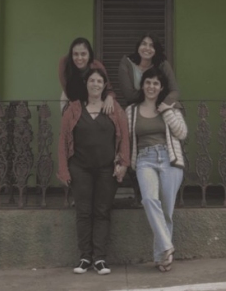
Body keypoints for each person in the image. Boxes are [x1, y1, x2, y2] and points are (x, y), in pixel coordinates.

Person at [57, 68, 130, 275]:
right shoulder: (74, 109)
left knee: (102, 212)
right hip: (80, 169)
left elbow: (125, 137)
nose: (95, 84)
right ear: (86, 84)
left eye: (99, 81)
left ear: (104, 85)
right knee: (83, 212)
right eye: (92, 80)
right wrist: (63, 170)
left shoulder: (114, 108)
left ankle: (100, 258)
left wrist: (123, 163)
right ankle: (85, 257)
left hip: (107, 170)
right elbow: (63, 140)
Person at [125, 67, 188, 272]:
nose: (151, 86)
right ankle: (167, 245)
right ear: (142, 85)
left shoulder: (171, 108)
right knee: (149, 200)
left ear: (161, 87)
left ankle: (162, 257)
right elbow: (126, 140)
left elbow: (182, 133)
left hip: (169, 159)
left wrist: (167, 111)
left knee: (166, 210)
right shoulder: (131, 111)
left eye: (156, 83)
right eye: (148, 82)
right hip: (145, 160)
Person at [118, 34, 180, 107]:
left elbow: (174, 91)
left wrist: (164, 104)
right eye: (144, 44)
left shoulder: (162, 64)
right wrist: (153, 93)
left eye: (151, 46)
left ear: (156, 50)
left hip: (160, 106)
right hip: (136, 108)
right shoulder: (127, 63)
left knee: (177, 107)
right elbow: (129, 95)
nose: (147, 48)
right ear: (138, 47)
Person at [58, 37, 115, 113]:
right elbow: (67, 91)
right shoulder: (64, 63)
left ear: (90, 55)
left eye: (83, 54)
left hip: (94, 99)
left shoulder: (97, 67)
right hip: (70, 95)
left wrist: (110, 97)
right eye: (75, 54)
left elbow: (109, 89)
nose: (79, 58)